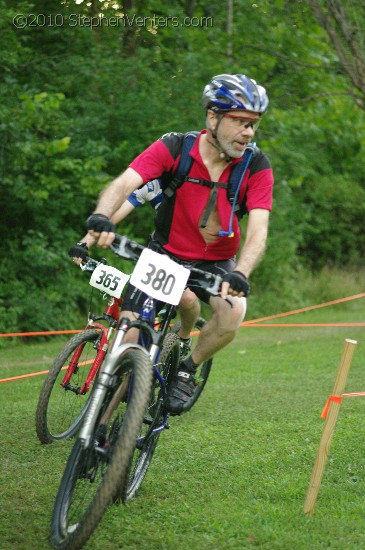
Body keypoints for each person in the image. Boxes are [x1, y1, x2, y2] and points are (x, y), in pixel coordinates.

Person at [80, 73, 274, 415]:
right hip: (164, 255)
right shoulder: (175, 147)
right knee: (129, 339)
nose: (249, 132)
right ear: (213, 117)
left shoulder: (255, 166)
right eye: (240, 122)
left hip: (216, 263)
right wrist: (102, 216)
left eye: (253, 124)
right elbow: (126, 183)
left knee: (233, 314)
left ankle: (188, 368)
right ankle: (111, 406)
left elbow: (259, 228)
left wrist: (241, 272)